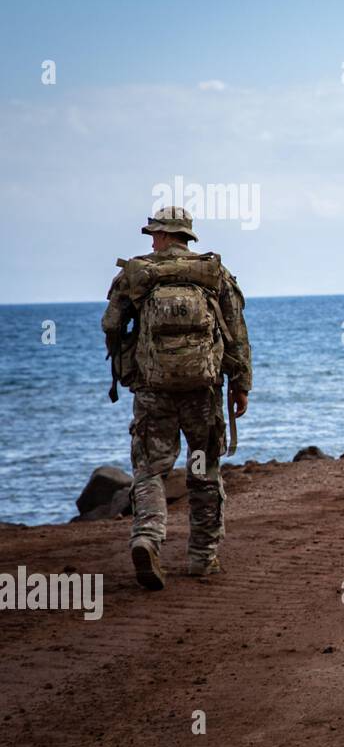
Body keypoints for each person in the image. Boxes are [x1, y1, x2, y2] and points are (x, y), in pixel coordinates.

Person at [101, 207, 252, 589]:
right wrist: (240, 383)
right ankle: (203, 557)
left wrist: (129, 368)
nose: (151, 240)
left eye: (154, 234)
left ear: (166, 236)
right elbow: (236, 331)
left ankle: (147, 539)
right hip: (202, 392)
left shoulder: (137, 274)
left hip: (154, 392)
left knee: (152, 469)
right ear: (187, 236)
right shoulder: (212, 273)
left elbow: (111, 325)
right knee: (203, 469)